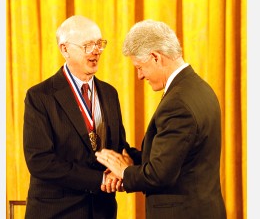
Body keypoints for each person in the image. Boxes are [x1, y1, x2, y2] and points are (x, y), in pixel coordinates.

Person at [95, 19, 227, 219]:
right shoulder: (199, 88)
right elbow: (176, 155)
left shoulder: (178, 103)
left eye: (140, 67)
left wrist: (125, 172)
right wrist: (134, 160)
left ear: (155, 57)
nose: (139, 76)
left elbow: (159, 175)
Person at [23, 15, 138, 219]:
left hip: (102, 211)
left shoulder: (110, 93)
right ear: (64, 49)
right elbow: (40, 161)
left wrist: (130, 165)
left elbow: (119, 147)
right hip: (57, 212)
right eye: (87, 45)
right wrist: (100, 180)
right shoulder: (40, 96)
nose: (96, 51)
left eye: (99, 44)